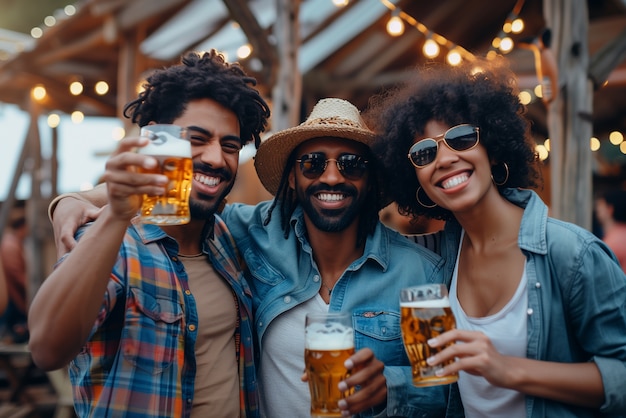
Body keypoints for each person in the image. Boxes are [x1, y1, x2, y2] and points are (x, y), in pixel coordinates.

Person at [48, 98, 462, 417]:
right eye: (313, 163)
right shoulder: (255, 232)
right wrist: (74, 199)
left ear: (370, 179)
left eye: (351, 164)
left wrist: (391, 386)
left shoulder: (418, 271)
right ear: (293, 180)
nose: (332, 176)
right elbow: (192, 195)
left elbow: (445, 388)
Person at [370, 59, 626, 417]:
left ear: (491, 147)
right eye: (424, 153)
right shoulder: (438, 261)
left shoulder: (571, 253)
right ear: (416, 178)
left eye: (461, 138)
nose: (444, 159)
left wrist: (506, 369)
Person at [28, 50, 271, 418]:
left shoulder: (228, 237)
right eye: (197, 138)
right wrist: (115, 213)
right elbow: (47, 349)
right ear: (158, 139)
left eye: (230, 146)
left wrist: (76, 197)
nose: (216, 159)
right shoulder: (117, 241)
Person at [0, 202, 29, 343]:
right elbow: (14, 272)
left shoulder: (12, 242)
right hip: (12, 295)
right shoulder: (10, 244)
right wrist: (28, 287)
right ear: (23, 227)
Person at [594, 189, 626, 271]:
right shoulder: (621, 235)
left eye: (600, 205)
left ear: (609, 209)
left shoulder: (611, 243)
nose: (597, 209)